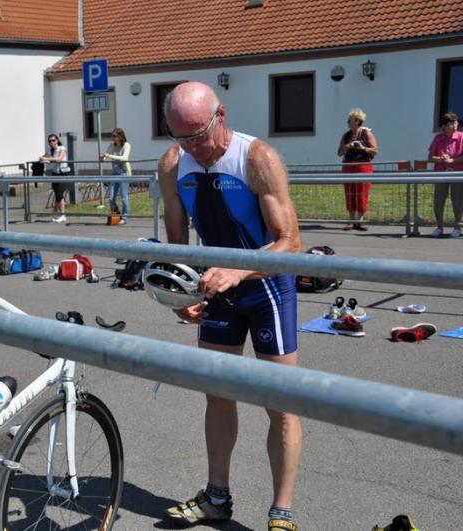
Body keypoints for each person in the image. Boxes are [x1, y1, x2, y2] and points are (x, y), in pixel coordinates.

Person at [159, 82, 302, 531]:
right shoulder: (173, 164)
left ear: (220, 116)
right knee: (218, 395)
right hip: (218, 289)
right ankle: (217, 497)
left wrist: (238, 271)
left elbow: (291, 243)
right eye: (181, 138)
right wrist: (180, 295)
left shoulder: (256, 158)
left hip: (267, 290)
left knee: (280, 403)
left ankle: (281, 513)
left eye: (198, 136)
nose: (191, 148)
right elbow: (177, 245)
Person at [337, 108, 378, 231]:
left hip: (364, 165)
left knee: (362, 192)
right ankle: (351, 220)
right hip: (348, 165)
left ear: (357, 121)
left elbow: (375, 150)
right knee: (350, 192)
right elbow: (339, 153)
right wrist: (346, 147)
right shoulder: (346, 135)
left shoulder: (367, 133)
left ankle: (360, 220)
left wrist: (362, 148)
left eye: (350, 120)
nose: (347, 122)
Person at [427, 111, 463, 238]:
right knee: (439, 201)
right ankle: (439, 227)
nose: (454, 126)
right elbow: (430, 157)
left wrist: (453, 160)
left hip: (458, 174)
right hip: (441, 174)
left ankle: (457, 227)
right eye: (451, 124)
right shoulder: (438, 138)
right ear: (444, 127)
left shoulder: (462, 137)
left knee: (458, 200)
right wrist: (441, 159)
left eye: (455, 123)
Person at [101, 127, 132, 224]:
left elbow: (124, 158)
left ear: (120, 136)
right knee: (111, 198)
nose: (112, 138)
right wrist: (102, 157)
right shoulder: (111, 146)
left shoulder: (126, 145)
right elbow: (105, 158)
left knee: (124, 197)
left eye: (114, 136)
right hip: (114, 173)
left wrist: (109, 156)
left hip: (124, 173)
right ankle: (117, 215)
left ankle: (125, 217)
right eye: (112, 136)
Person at [39, 133, 71, 223]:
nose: (51, 142)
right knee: (57, 195)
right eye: (49, 141)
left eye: (53, 140)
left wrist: (47, 159)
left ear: (57, 140)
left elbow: (59, 159)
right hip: (55, 173)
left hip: (62, 173)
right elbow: (42, 158)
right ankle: (56, 213)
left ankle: (63, 215)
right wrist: (42, 158)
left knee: (60, 195)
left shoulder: (62, 148)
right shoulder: (50, 151)